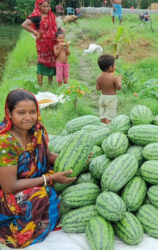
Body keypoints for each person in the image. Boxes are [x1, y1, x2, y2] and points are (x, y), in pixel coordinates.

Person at [0, 89, 76, 248]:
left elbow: (46, 155)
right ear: (9, 112)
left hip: (34, 182)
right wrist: (49, 179)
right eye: (21, 112)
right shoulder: (5, 142)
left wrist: (74, 159)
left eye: (32, 112)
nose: (28, 117)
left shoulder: (37, 131)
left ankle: (45, 218)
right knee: (39, 195)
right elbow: (9, 186)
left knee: (51, 190)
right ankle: (20, 231)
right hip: (9, 195)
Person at [21, 0, 58, 87]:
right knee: (42, 63)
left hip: (52, 43)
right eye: (44, 6)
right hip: (42, 45)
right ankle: (40, 86)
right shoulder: (36, 16)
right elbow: (24, 25)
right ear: (39, 7)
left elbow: (55, 29)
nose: (46, 8)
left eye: (48, 6)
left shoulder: (51, 16)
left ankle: (50, 84)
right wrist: (35, 32)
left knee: (51, 62)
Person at [96, 55, 122, 124]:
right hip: (111, 99)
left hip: (102, 98)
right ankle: (109, 127)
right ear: (110, 67)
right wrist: (119, 79)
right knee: (111, 115)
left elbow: (98, 88)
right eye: (115, 65)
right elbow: (119, 87)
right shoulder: (114, 78)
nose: (115, 66)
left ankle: (102, 125)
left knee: (102, 114)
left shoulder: (99, 77)